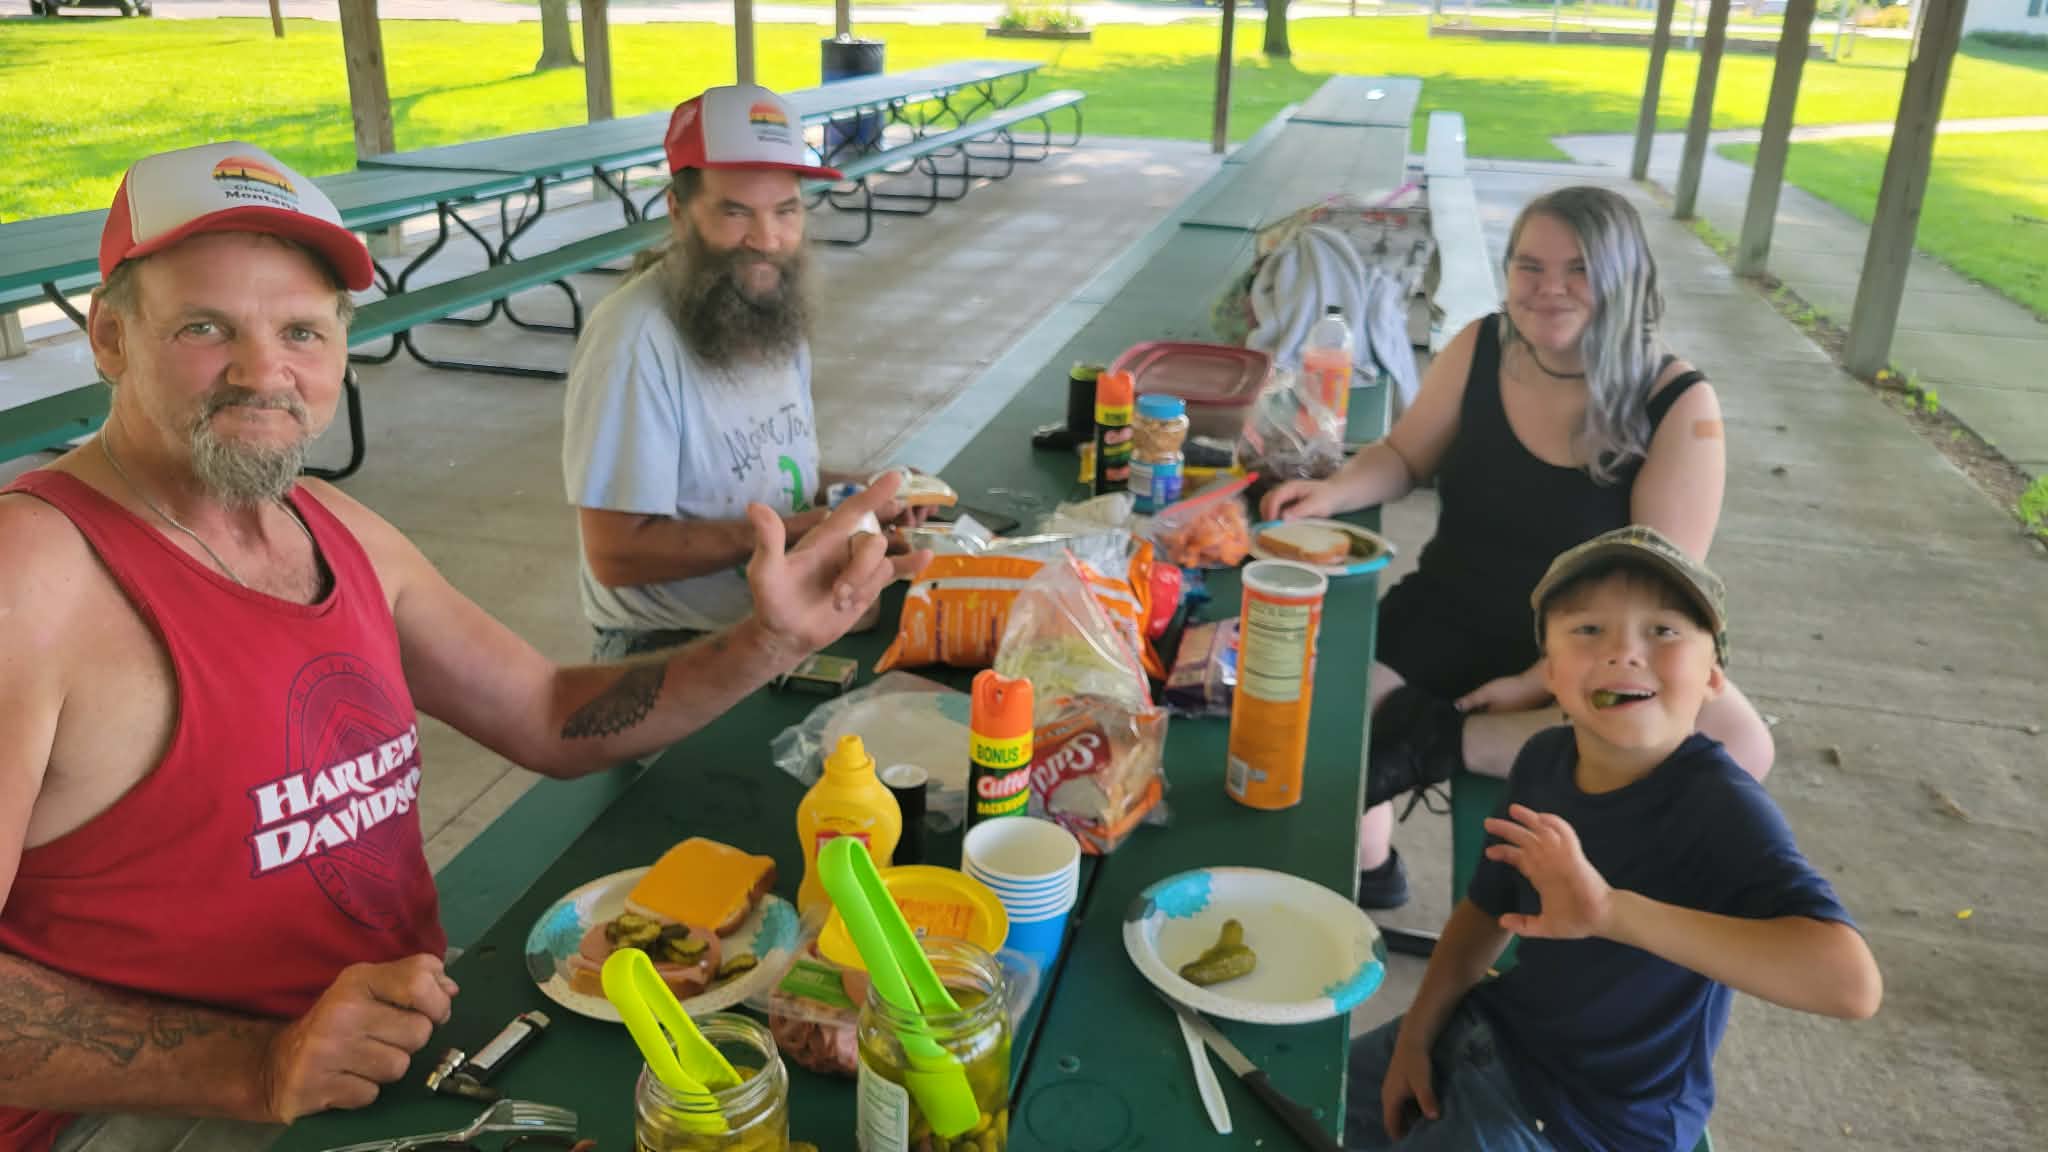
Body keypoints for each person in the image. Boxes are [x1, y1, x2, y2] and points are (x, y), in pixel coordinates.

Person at [0, 140, 926, 1152]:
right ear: (109, 336)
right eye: (205, 326)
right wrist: (253, 1064)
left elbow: (541, 713)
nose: (265, 371)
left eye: (301, 331)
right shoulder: (35, 574)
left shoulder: (330, 526)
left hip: (401, 1045)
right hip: (160, 1106)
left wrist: (765, 640)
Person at [1261, 185, 1774, 909]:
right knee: (1326, 705)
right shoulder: (1481, 345)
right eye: (1530, 266)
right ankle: (1373, 864)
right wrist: (1333, 492)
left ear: (1626, 280)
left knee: (1740, 746)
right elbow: (1405, 454)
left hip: (1591, 644)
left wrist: (1540, 679)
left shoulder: (1678, 401)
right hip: (1451, 608)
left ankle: (1448, 741)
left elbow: (1662, 597)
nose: (1549, 289)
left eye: (1580, 270)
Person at [1346, 526, 1882, 1152]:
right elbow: (1486, 910)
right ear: (1549, 671)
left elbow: (1851, 984)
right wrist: (1417, 1033)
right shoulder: (1544, 759)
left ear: (1714, 675)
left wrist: (1608, 912)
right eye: (1588, 630)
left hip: (1589, 1123)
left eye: (1663, 630)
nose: (1623, 653)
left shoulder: (1720, 806)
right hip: (1486, 1037)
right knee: (1278, 1103)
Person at [563, 83, 918, 662]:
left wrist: (869, 493)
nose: (768, 240)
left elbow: (756, 465)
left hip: (778, 623)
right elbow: (616, 554)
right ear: (679, 213)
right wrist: (804, 528)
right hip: (669, 651)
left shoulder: (768, 304)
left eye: (786, 210)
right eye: (735, 212)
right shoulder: (633, 339)